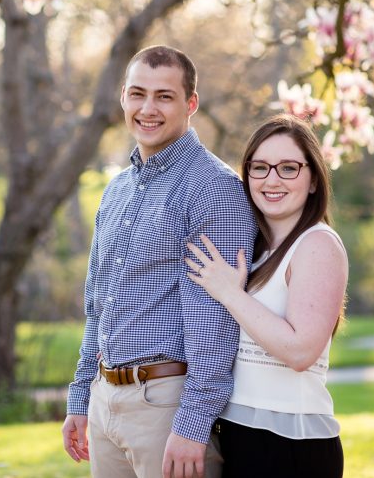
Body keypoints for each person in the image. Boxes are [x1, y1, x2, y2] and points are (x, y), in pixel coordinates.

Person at [62, 45, 258, 478]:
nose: (148, 109)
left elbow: (216, 320)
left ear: (191, 103)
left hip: (166, 407)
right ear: (123, 98)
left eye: (164, 96)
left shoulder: (213, 189)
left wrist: (192, 425)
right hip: (104, 400)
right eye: (138, 94)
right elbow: (98, 305)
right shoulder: (117, 189)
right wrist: (81, 398)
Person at [186, 113, 348, 478]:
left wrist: (230, 293)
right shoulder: (253, 249)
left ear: (313, 180)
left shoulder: (317, 244)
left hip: (291, 445)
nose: (272, 180)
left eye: (288, 168)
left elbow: (300, 352)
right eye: (259, 168)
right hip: (236, 434)